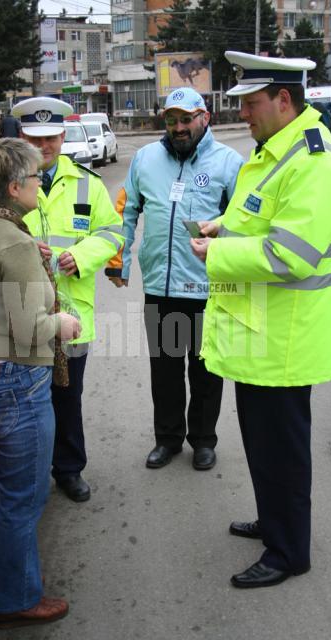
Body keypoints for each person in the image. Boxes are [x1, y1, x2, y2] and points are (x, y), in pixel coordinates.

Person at [191, 51, 331, 588]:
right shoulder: (274, 152)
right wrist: (220, 229)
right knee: (262, 444)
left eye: (251, 104)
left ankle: (288, 553)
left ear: (284, 100)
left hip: (286, 340)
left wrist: (217, 255)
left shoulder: (314, 162)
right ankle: (274, 520)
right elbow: (256, 223)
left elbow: (291, 255)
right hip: (261, 334)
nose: (244, 115)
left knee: (282, 451)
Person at [0, 138, 80, 627]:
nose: (39, 184)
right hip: (15, 381)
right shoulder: (15, 242)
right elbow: (32, 326)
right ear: (12, 188)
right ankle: (15, 598)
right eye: (33, 178)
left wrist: (31, 258)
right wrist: (65, 325)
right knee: (24, 495)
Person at [106, 87, 243, 471]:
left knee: (205, 370)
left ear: (205, 118)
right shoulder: (146, 159)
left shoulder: (229, 162)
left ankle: (203, 440)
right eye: (172, 120)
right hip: (161, 286)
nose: (179, 128)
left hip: (207, 287)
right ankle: (167, 439)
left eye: (186, 119)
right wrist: (120, 263)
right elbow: (126, 211)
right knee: (164, 370)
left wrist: (224, 242)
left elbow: (247, 223)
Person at [8, 96, 124, 502]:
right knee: (25, 404)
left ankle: (69, 468)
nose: (45, 147)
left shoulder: (87, 184)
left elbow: (113, 232)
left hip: (71, 313)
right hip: (21, 315)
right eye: (35, 138)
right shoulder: (5, 184)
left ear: (64, 134)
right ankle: (30, 474)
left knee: (67, 397)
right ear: (21, 136)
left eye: (52, 137)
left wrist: (84, 256)